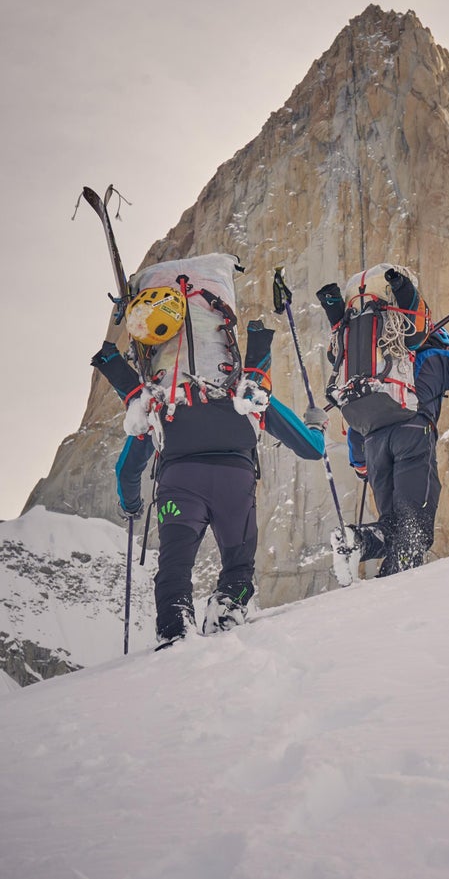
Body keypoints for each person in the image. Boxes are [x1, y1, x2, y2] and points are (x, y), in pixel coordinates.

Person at [92, 258, 327, 649]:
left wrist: (131, 505)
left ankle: (174, 628)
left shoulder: (158, 402)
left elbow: (127, 471)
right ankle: (226, 613)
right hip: (234, 481)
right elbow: (311, 448)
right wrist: (316, 425)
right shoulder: (245, 393)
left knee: (175, 566)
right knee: (237, 565)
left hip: (179, 482)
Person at [319, 268, 449, 578]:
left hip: (375, 445)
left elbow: (357, 425)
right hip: (412, 436)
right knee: (415, 529)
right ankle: (380, 566)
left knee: (394, 525)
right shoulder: (438, 360)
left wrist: (361, 463)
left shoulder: (379, 377)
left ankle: (360, 544)